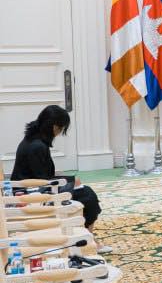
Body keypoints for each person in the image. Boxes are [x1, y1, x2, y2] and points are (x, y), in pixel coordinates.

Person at [11, 105, 107, 249]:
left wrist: (70, 180)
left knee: (82, 189)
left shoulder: (33, 140)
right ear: (55, 127)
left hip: (28, 188)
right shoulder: (37, 146)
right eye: (61, 129)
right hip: (29, 193)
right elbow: (43, 182)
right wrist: (71, 181)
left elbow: (43, 176)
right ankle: (89, 241)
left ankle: (88, 237)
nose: (60, 133)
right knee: (87, 196)